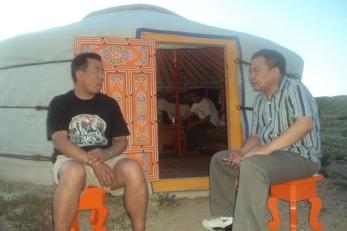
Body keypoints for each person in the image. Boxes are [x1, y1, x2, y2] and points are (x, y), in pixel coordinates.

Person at [202, 48, 321, 231]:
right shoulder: (259, 100)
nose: (251, 76)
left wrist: (265, 150)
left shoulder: (294, 88)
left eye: (256, 70)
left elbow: (305, 124)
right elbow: (256, 136)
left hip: (301, 158)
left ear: (275, 73)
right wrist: (241, 152)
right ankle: (227, 218)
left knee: (253, 164)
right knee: (220, 160)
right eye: (250, 70)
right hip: (273, 158)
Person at [47, 52, 148, 231]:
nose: (102, 77)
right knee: (73, 172)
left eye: (103, 72)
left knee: (133, 169)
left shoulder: (109, 104)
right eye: (97, 71)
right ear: (80, 74)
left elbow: (122, 141)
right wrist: (93, 162)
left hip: (106, 159)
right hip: (72, 159)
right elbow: (60, 141)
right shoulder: (60, 103)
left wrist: (107, 153)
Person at [182, 88, 219, 153]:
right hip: (204, 122)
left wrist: (194, 124)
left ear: (198, 96)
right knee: (188, 127)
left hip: (212, 123)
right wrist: (179, 119)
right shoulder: (195, 104)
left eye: (191, 97)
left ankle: (194, 149)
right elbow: (189, 115)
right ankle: (189, 147)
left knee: (193, 128)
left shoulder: (206, 102)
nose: (190, 98)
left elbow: (207, 119)